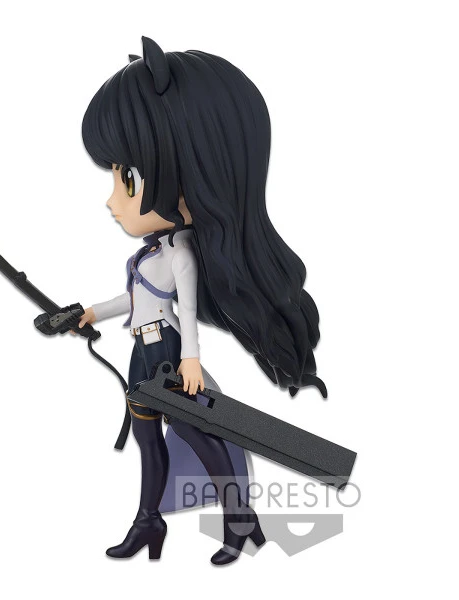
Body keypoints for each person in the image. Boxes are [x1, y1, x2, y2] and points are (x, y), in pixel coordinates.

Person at [77, 37, 325, 565]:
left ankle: (239, 519)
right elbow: (134, 298)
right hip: (141, 355)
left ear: (197, 170)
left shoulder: (181, 257)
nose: (113, 199)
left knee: (199, 434)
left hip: (168, 355)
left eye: (129, 178)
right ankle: (149, 523)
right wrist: (89, 314)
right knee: (147, 439)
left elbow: (185, 311)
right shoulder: (151, 254)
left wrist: (191, 360)